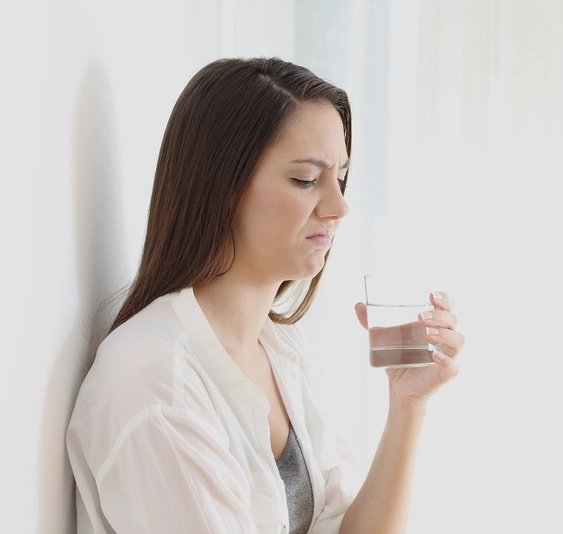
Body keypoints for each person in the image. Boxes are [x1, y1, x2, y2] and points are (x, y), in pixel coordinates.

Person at [66, 57, 465, 534]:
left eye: (339, 177)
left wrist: (407, 405)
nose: (339, 207)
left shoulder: (284, 350)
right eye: (305, 180)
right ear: (224, 185)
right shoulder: (155, 383)